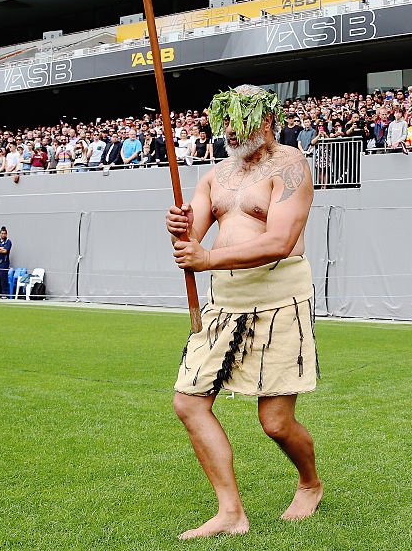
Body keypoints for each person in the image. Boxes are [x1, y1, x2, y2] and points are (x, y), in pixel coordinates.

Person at [166, 84, 321, 539]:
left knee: (274, 423)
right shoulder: (214, 175)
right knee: (188, 403)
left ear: (267, 120)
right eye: (226, 121)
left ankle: (310, 482)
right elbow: (189, 237)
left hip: (280, 301)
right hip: (224, 304)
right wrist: (177, 227)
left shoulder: (291, 165)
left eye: (240, 119)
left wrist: (206, 258)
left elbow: (279, 242)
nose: (231, 129)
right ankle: (230, 512)